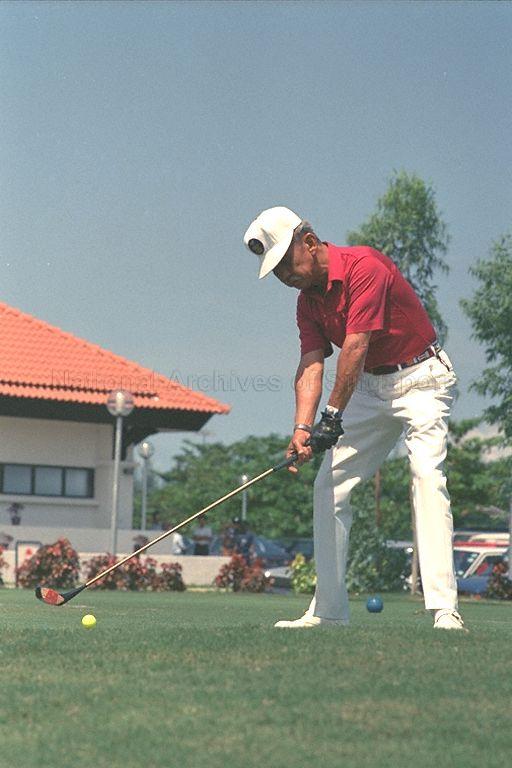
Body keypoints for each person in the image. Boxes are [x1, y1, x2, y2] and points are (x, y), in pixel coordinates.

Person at [243, 206, 464, 631]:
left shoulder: (366, 266)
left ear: (309, 242)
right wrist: (302, 430)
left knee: (426, 476)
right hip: (368, 389)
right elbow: (311, 364)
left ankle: (444, 609)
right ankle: (328, 610)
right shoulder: (306, 303)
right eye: (276, 272)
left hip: (423, 379)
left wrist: (331, 416)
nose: (285, 276)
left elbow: (356, 347)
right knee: (329, 485)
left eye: (286, 263)